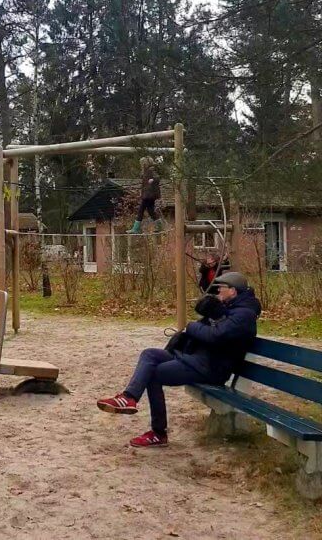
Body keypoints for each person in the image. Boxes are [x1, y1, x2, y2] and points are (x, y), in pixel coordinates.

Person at [96, 272, 260, 448]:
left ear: (233, 291)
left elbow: (215, 336)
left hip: (211, 368)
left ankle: (158, 433)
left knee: (155, 374)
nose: (218, 290)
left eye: (221, 288)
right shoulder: (227, 309)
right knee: (150, 354)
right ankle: (129, 398)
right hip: (197, 360)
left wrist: (192, 326)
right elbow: (209, 331)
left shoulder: (244, 315)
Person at [127, 156, 163, 234]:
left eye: (142, 164)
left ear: (145, 164)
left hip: (149, 195)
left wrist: (152, 180)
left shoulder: (151, 170)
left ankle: (136, 228)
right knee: (150, 211)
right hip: (148, 194)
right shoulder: (147, 171)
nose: (141, 165)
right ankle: (160, 226)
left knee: (141, 209)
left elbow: (157, 178)